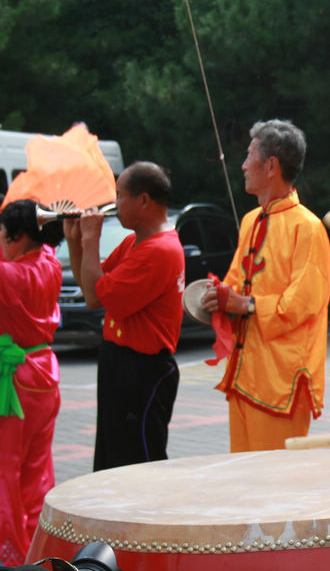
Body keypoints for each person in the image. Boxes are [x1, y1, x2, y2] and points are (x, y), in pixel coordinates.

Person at [201, 119, 330, 452]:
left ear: (271, 165)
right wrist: (215, 298)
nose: (243, 165)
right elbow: (234, 282)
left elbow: (304, 302)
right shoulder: (250, 220)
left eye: (249, 156)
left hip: (281, 382)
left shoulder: (308, 226)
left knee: (276, 490)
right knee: (246, 488)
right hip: (244, 374)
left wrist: (244, 305)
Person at [64, 162, 184, 472]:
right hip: (120, 362)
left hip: (142, 369)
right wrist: (76, 242)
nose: (114, 205)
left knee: (138, 461)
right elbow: (93, 292)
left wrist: (90, 240)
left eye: (119, 196)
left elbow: (99, 295)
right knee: (113, 455)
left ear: (143, 200)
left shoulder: (159, 250)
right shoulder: (135, 242)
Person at [0, 200, 63, 566]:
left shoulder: (12, 275)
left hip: (16, 380)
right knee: (37, 469)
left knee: (6, 468)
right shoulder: (50, 263)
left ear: (18, 235)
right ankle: (39, 549)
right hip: (44, 371)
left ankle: (11, 552)